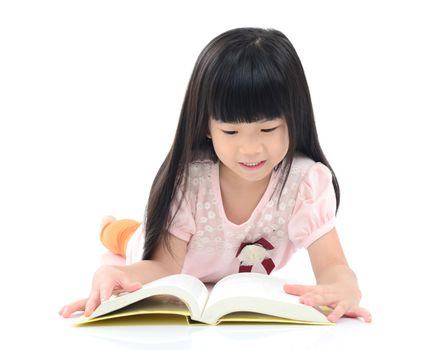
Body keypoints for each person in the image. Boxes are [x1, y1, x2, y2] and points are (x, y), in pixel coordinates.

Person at [59, 27, 372, 323]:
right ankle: (110, 228)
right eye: (231, 131)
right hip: (171, 258)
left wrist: (346, 287)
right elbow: (163, 266)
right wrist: (115, 276)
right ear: (206, 127)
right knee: (125, 237)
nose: (250, 149)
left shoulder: (304, 182)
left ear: (295, 119)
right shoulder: (191, 180)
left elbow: (333, 267)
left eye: (268, 128)